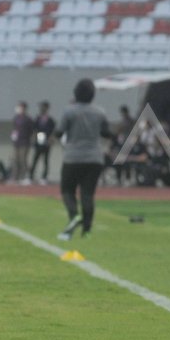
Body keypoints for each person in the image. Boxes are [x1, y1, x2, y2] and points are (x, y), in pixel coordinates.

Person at [56, 79, 112, 240]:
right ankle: (86, 230)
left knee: (67, 190)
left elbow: (60, 132)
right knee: (88, 194)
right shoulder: (100, 112)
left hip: (73, 157)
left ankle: (74, 215)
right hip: (95, 158)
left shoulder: (69, 112)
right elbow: (106, 133)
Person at [29, 101, 55, 185]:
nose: (42, 109)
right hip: (38, 141)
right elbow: (34, 129)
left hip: (46, 142)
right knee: (35, 159)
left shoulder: (50, 120)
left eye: (43, 107)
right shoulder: (37, 119)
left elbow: (52, 132)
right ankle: (31, 176)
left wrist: (50, 140)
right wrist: (34, 138)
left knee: (46, 160)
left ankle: (44, 177)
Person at [10, 101, 33, 184]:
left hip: (25, 142)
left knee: (23, 159)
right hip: (17, 142)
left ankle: (25, 176)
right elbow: (14, 129)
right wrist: (13, 137)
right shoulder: (16, 118)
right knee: (15, 159)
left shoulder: (28, 119)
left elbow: (31, 131)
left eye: (22, 107)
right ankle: (15, 176)